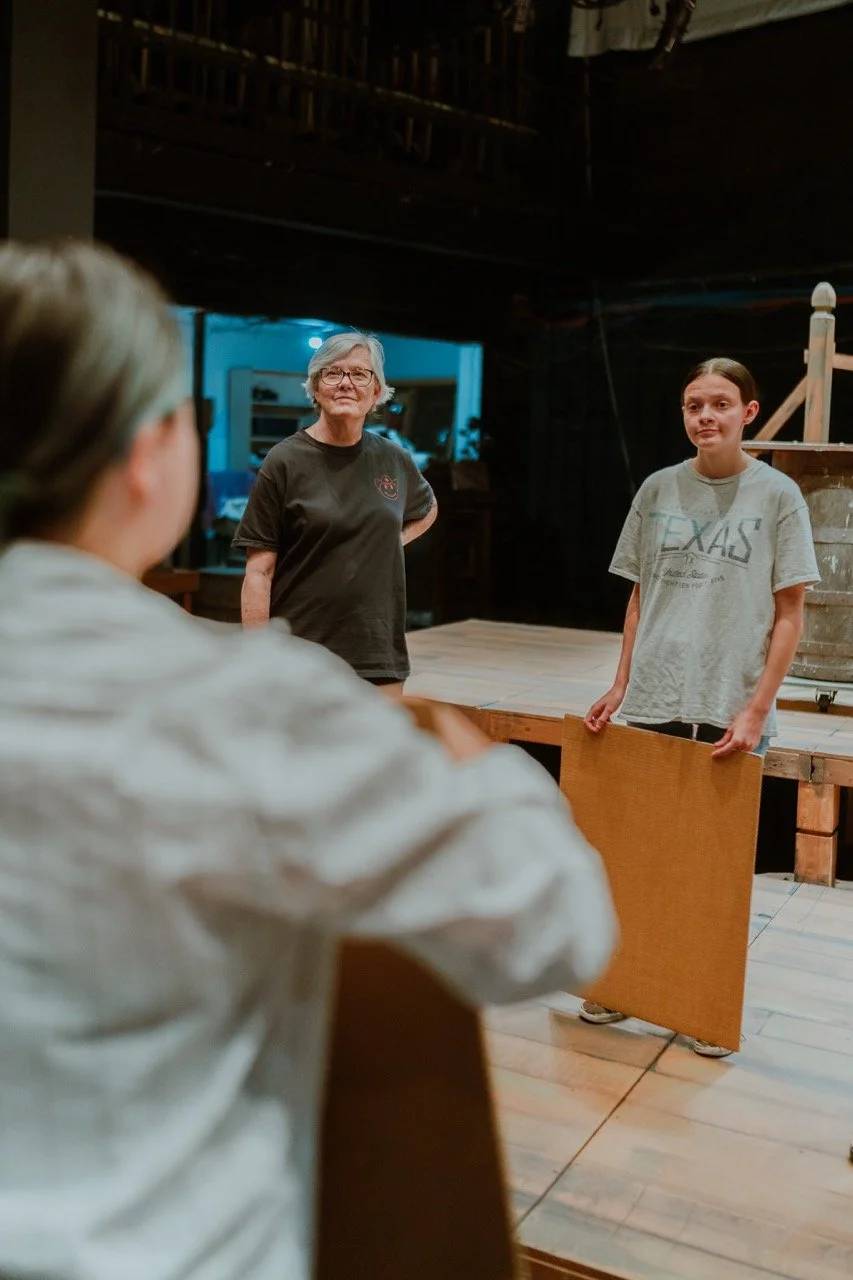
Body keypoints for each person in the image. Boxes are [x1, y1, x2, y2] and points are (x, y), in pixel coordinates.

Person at [0, 240, 616, 1279]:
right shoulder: (246, 709)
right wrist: (459, 752)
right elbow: (554, 924)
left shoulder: (383, 483)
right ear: (151, 455)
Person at [581, 356, 819, 1056]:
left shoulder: (777, 496)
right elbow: (637, 594)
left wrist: (754, 709)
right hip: (655, 693)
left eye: (718, 403)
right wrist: (620, 683)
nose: (704, 416)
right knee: (638, 851)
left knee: (712, 867)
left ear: (748, 413)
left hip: (728, 702)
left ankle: (700, 1005)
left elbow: (790, 614)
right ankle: (621, 984)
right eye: (693, 404)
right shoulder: (657, 489)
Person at [233, 331, 437, 693]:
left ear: (376, 391)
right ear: (315, 387)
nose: (346, 383)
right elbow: (259, 573)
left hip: (378, 655)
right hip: (300, 657)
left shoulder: (393, 458)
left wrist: (393, 540)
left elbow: (428, 507)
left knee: (381, 751)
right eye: (333, 373)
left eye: (360, 374)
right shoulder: (284, 461)